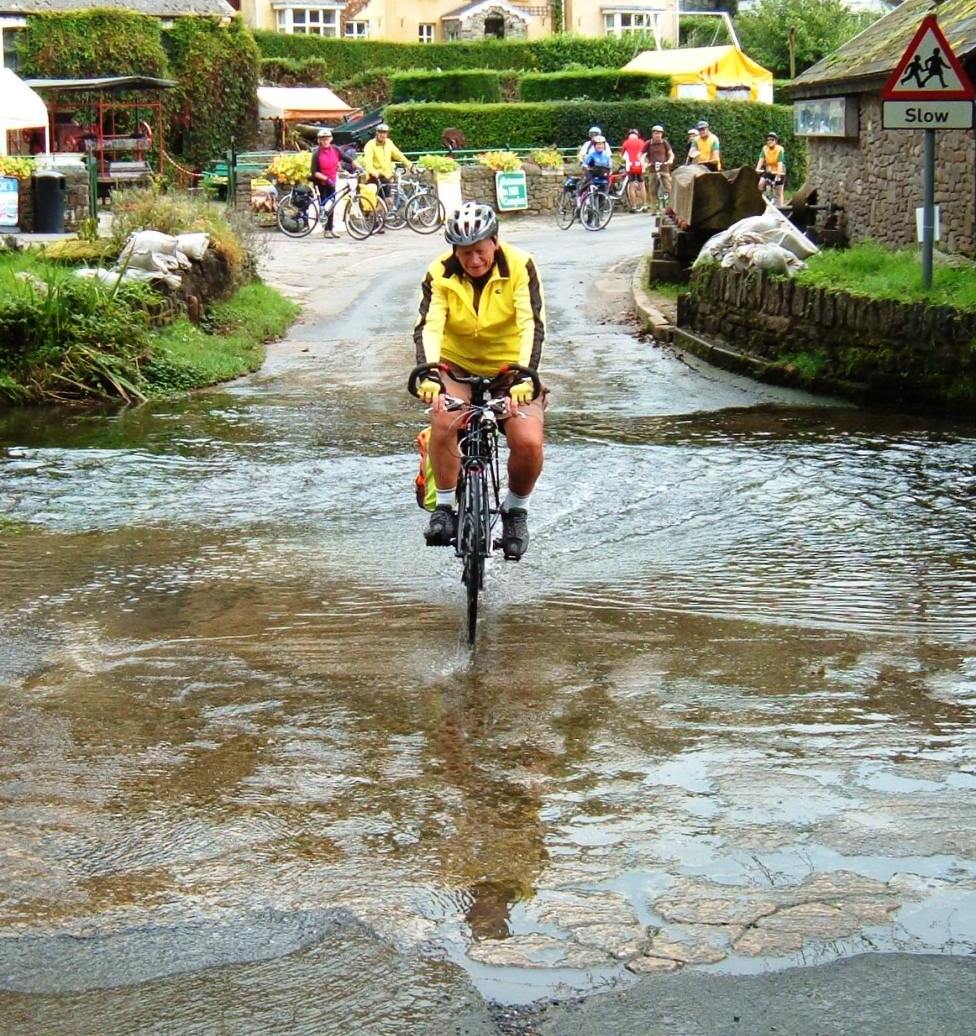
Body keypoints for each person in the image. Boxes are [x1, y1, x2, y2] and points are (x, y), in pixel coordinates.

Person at [413, 202, 546, 560]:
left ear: (495, 243)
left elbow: (531, 323)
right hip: (456, 364)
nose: (474, 260)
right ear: (454, 250)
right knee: (444, 417)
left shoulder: (520, 265)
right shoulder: (439, 272)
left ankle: (516, 512)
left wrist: (524, 378)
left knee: (529, 441)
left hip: (510, 369)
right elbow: (430, 326)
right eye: (466, 252)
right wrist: (428, 372)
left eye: (481, 251)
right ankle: (444, 508)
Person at [309, 127, 361, 237]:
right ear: (319, 141)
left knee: (332, 204)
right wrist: (326, 179)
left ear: (331, 139)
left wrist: (357, 165)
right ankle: (326, 230)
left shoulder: (335, 149)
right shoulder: (316, 153)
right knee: (326, 205)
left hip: (332, 180)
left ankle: (331, 228)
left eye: (327, 138)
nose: (325, 141)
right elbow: (314, 172)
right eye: (322, 139)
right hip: (321, 182)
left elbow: (346, 158)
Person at [362, 122, 410, 211]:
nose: (382, 135)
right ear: (376, 133)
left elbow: (398, 155)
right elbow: (368, 161)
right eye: (380, 132)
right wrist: (373, 171)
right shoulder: (370, 145)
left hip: (386, 175)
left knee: (387, 200)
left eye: (384, 133)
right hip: (374, 176)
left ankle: (380, 217)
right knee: (376, 200)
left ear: (387, 134)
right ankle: (372, 216)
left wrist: (409, 165)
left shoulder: (389, 143)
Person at [642, 124, 674, 211]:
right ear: (653, 134)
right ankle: (654, 208)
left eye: (659, 133)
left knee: (669, 188)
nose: (658, 135)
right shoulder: (648, 143)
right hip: (652, 169)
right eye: (656, 133)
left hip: (664, 168)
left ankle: (671, 207)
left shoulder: (664, 143)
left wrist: (670, 160)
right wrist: (645, 163)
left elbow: (671, 153)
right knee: (652, 190)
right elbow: (640, 155)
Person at [619, 128, 648, 211]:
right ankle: (645, 205)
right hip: (640, 166)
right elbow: (645, 154)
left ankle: (634, 206)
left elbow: (623, 155)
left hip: (630, 167)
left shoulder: (626, 143)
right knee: (642, 185)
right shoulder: (642, 142)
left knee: (631, 185)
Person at [755, 131, 786, 207]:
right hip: (769, 171)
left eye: (772, 139)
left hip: (779, 171)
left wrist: (778, 175)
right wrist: (757, 169)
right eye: (768, 140)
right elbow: (761, 160)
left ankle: (780, 209)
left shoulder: (780, 149)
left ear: (775, 141)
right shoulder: (765, 148)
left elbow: (780, 163)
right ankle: (762, 202)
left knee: (779, 192)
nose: (769, 141)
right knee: (760, 184)